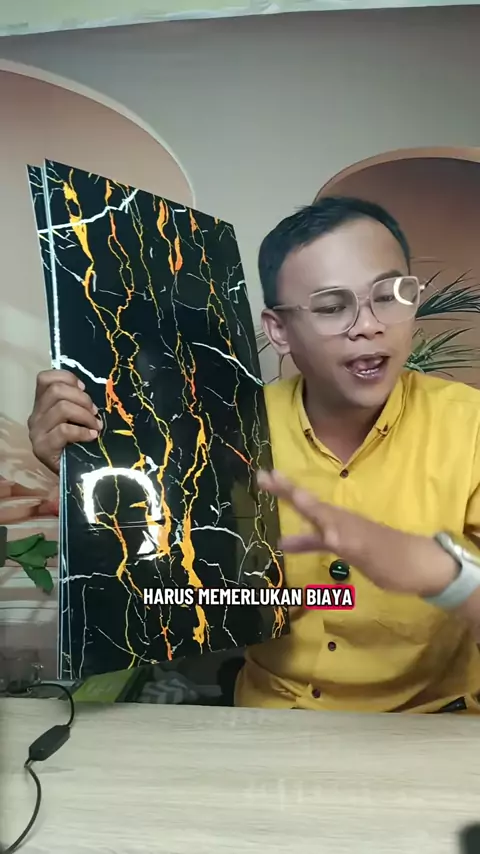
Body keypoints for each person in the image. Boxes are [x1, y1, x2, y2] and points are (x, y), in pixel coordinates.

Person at [28, 196, 480, 715]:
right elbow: (164, 588)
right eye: (332, 307)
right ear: (279, 331)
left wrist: (445, 576)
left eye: (389, 295)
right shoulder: (225, 431)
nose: (369, 325)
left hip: (429, 725)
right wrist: (81, 472)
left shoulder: (469, 426)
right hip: (271, 721)